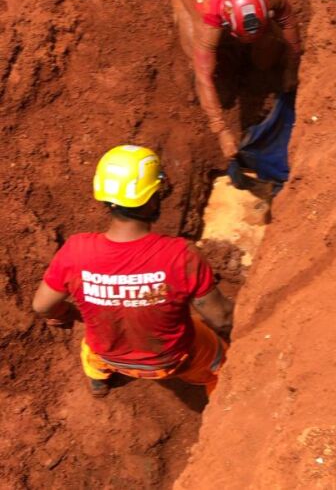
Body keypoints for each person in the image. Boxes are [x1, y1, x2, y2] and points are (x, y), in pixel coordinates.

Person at [32, 146, 232, 397]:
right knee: (221, 363)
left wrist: (67, 314)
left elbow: (41, 306)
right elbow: (221, 318)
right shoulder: (182, 255)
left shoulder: (75, 250)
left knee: (91, 349)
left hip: (109, 355)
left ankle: (98, 382)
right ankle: (222, 407)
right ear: (152, 197)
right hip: (170, 360)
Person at [165, 0, 303, 161]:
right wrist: (220, 130)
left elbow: (289, 24)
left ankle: (260, 59)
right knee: (192, 47)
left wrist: (291, 69)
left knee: (270, 43)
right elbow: (203, 77)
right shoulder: (208, 18)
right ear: (225, 22)